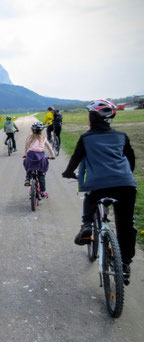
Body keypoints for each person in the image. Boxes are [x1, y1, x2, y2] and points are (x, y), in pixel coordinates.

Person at [61, 99, 137, 285]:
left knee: (90, 197)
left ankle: (87, 225)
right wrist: (125, 176)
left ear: (92, 118)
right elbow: (131, 160)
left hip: (98, 185)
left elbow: (75, 159)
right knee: (125, 226)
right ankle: (125, 264)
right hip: (126, 186)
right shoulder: (122, 136)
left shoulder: (86, 138)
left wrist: (68, 172)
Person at [23, 121, 55, 198]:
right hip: (40, 156)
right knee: (41, 174)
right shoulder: (43, 138)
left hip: (30, 154)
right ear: (41, 130)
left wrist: (25, 155)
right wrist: (52, 156)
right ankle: (43, 192)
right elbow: (49, 148)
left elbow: (26, 147)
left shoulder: (29, 138)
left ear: (32, 130)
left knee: (28, 165)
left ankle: (28, 178)